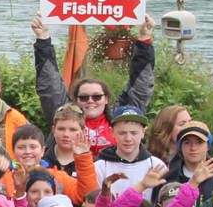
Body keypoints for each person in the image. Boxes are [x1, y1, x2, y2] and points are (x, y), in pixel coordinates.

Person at [31, 14, 155, 153]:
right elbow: (50, 85)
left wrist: (144, 39)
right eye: (84, 97)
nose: (90, 101)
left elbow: (141, 88)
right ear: (75, 100)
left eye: (97, 97)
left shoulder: (120, 117)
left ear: (106, 99)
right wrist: (43, 38)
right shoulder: (64, 115)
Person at [91, 106, 168, 199]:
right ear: (112, 132)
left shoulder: (156, 166)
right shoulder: (100, 167)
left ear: (144, 132)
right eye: (122, 133)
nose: (128, 139)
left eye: (134, 133)